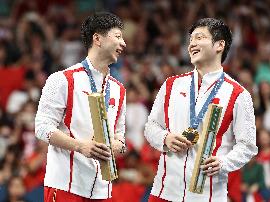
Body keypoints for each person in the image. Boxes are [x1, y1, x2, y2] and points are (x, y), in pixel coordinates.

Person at [144, 18, 258, 201]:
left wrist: (223, 163)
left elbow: (248, 146)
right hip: (164, 192)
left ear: (219, 45)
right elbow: (151, 126)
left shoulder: (238, 94)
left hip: (208, 195)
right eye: (191, 40)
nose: (192, 44)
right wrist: (165, 138)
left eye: (199, 37)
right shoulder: (171, 85)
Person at [35, 12, 126, 201]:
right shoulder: (62, 79)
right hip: (65, 185)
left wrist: (114, 146)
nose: (123, 43)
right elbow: (42, 128)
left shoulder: (119, 90)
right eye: (118, 36)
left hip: (102, 190)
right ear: (98, 39)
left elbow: (120, 138)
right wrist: (80, 146)